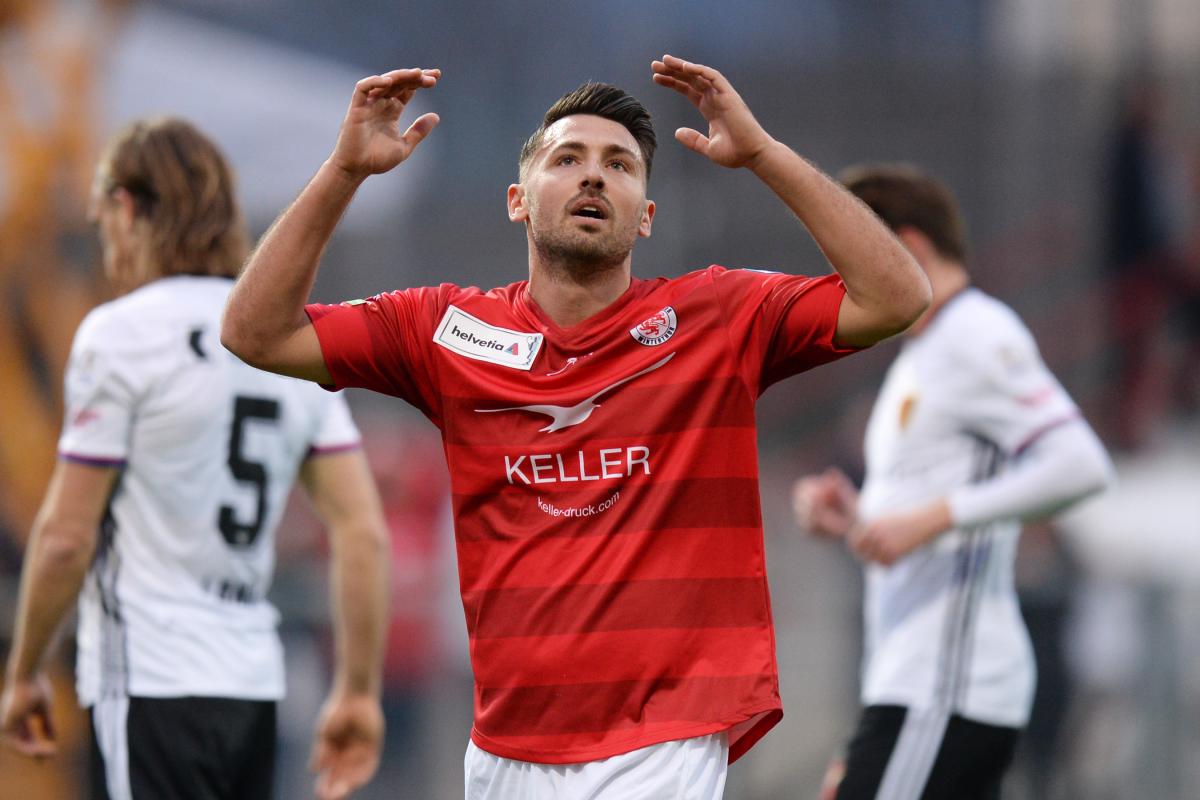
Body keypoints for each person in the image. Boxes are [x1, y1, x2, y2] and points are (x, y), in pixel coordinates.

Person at [220, 56, 932, 799]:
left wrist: (763, 155)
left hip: (661, 740)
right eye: (568, 159)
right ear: (517, 202)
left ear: (646, 216)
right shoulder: (446, 330)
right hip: (504, 748)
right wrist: (343, 170)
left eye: (620, 165)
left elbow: (895, 296)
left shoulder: (719, 316)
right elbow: (255, 332)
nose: (595, 176)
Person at [0, 117, 390, 800]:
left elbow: (66, 537)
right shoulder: (288, 339)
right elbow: (363, 533)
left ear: (125, 208)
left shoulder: (119, 334)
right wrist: (357, 690)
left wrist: (25, 668)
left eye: (103, 218)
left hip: (149, 680)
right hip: (252, 687)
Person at [792, 164, 1115, 800]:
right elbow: (922, 522)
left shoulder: (975, 332)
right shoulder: (922, 355)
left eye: (847, 255)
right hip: (914, 683)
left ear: (907, 249)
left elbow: (1080, 463)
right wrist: (856, 519)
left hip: (946, 686)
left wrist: (934, 517)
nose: (838, 283)